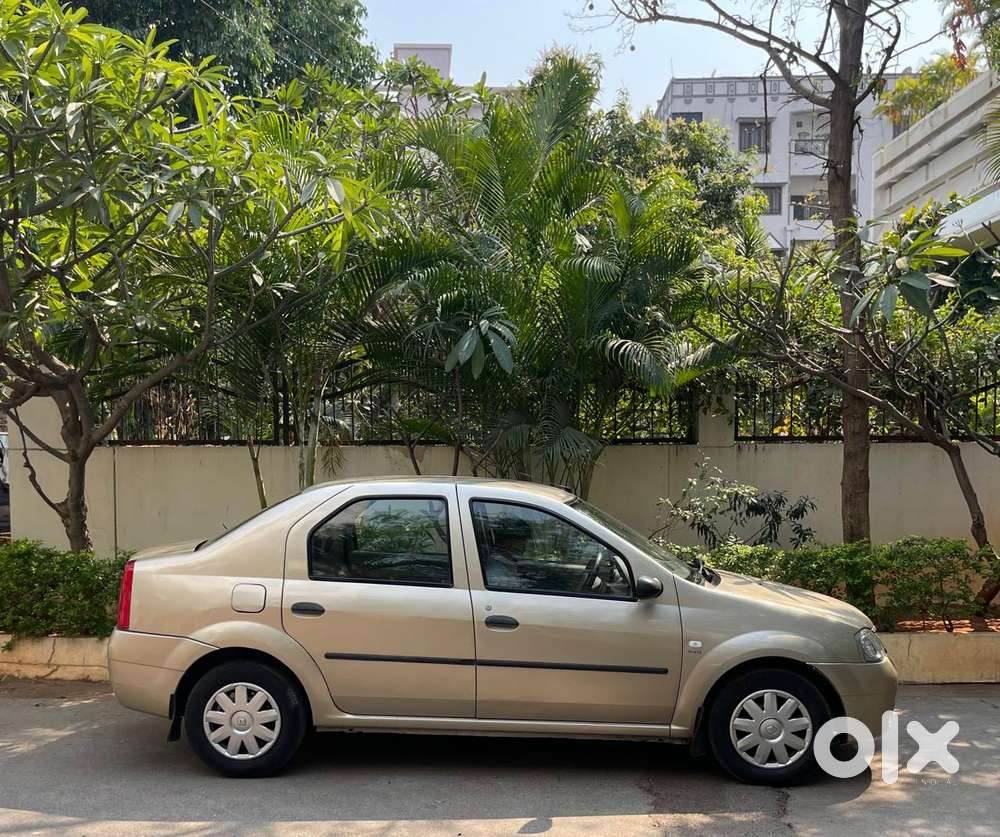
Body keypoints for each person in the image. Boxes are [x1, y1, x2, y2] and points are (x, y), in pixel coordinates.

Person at [482, 516, 532, 589]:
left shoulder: (507, 562)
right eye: (522, 540)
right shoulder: (496, 573)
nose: (525, 545)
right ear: (508, 541)